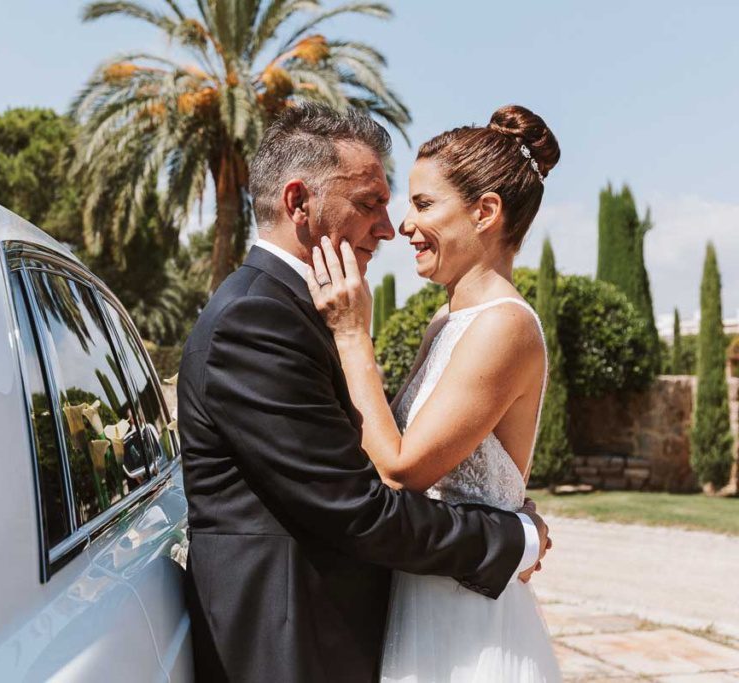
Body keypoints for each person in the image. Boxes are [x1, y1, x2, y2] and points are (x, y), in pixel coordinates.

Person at [177, 103, 550, 683]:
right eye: (370, 203)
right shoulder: (256, 319)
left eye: (414, 204)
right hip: (293, 642)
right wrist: (511, 537)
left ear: (486, 213)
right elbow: (360, 505)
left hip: (417, 625)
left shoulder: (297, 312)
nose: (389, 226)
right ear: (299, 203)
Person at [306, 104, 563, 681]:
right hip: (421, 595)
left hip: (465, 619)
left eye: (423, 204)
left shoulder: (505, 325)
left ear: (485, 212)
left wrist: (352, 335)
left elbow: (401, 469)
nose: (403, 225)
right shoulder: (446, 321)